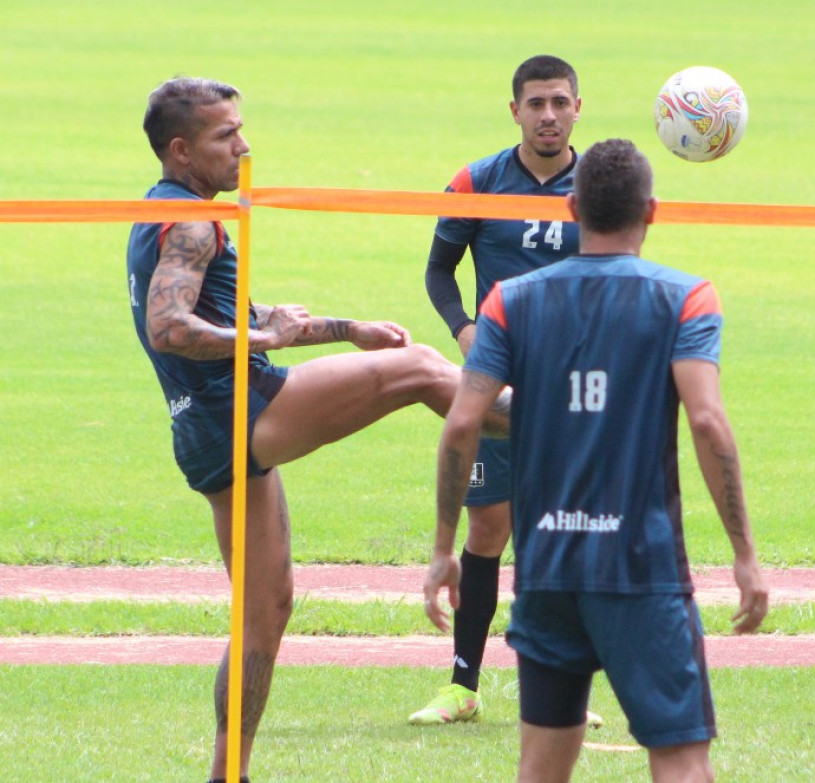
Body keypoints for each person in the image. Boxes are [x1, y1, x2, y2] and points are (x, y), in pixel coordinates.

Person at [126, 77, 509, 783]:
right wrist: (263, 341)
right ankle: (567, 426)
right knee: (422, 368)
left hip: (204, 434)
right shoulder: (193, 223)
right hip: (243, 409)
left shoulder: (163, 211)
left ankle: (227, 774)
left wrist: (344, 328)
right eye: (225, 136)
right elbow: (169, 326)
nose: (243, 147)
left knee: (265, 611)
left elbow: (231, 312)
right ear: (181, 150)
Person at [422, 138, 769, 782]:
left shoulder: (508, 301)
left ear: (573, 209)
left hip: (547, 573)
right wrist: (744, 554)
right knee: (682, 762)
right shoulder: (687, 298)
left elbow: (463, 421)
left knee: (541, 767)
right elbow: (707, 421)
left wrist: (445, 549)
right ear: (652, 210)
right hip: (642, 571)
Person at [411, 54, 602, 729]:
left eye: (559, 102)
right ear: (515, 110)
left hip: (573, 386)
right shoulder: (476, 181)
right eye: (535, 103)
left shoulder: (599, 186)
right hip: (496, 384)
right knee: (489, 527)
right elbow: (438, 271)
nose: (548, 115)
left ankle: (562, 691)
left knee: (562, 531)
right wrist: (466, 330)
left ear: (577, 107)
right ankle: (462, 686)